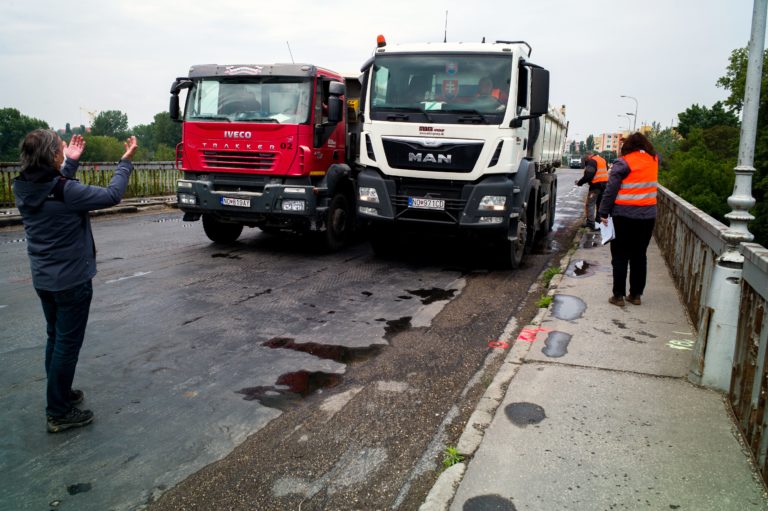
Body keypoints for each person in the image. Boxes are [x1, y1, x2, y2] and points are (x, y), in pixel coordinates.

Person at [13, 130, 139, 432]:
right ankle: (57, 412)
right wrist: (125, 163)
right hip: (71, 281)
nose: (64, 149)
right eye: (61, 147)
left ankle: (61, 392)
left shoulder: (23, 187)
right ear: (52, 156)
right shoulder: (67, 192)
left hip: (44, 279)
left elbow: (54, 188)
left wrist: (69, 164)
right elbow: (112, 195)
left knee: (55, 339)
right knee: (67, 345)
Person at [598, 132, 659, 307]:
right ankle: (636, 295)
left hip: (623, 217)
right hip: (647, 217)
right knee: (640, 256)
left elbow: (610, 190)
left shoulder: (623, 163)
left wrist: (603, 212)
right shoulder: (654, 160)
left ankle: (618, 296)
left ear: (628, 147)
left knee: (620, 256)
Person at [575, 150, 609, 230]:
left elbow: (588, 175)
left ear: (589, 156)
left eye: (586, 158)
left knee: (590, 204)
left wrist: (579, 183)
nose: (586, 160)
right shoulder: (602, 159)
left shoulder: (592, 161)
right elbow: (605, 170)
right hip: (604, 185)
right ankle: (598, 222)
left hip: (595, 187)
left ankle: (590, 223)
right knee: (599, 204)